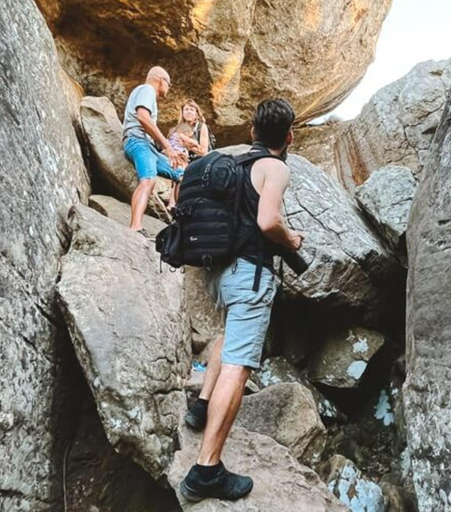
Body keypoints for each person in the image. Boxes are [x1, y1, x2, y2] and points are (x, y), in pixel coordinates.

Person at [179, 99, 304, 502]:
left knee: (224, 335)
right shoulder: (275, 167)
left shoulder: (234, 165)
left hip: (219, 274)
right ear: (288, 136)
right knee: (239, 364)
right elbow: (268, 221)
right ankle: (207, 470)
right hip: (250, 276)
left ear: (252, 131)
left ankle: (201, 407)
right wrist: (291, 239)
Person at [122, 66, 185, 231]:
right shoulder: (147, 90)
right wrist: (168, 147)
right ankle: (135, 227)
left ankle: (178, 220)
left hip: (148, 146)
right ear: (161, 80)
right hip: (137, 142)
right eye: (169, 84)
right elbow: (143, 117)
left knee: (181, 174)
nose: (168, 89)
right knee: (148, 180)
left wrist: (167, 151)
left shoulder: (147, 94)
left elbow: (150, 131)